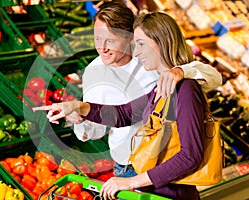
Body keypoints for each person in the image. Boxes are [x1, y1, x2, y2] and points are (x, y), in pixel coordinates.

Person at [38, 11, 214, 200]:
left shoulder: (185, 88)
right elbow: (124, 114)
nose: (136, 52)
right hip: (150, 183)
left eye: (140, 44)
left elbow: (190, 157)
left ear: (161, 43)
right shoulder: (159, 89)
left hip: (166, 190)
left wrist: (132, 182)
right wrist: (77, 108)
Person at [64, 1, 222, 179]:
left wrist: (181, 71)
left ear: (129, 37)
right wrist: (79, 118)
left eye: (111, 41)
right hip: (130, 166)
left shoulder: (150, 55)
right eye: (98, 39)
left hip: (168, 162)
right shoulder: (94, 74)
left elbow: (214, 78)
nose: (102, 48)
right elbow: (115, 119)